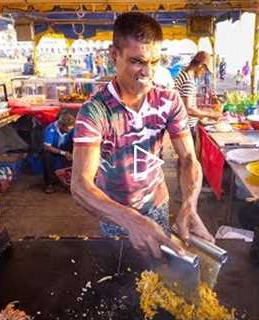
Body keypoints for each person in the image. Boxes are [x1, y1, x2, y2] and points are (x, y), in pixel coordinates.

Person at [71, 12, 214, 259]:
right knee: (120, 275)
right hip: (115, 214)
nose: (147, 72)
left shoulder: (169, 101)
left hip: (157, 205)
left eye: (155, 62)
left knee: (160, 277)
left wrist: (189, 205)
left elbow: (189, 159)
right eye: (137, 61)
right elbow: (80, 186)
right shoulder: (95, 111)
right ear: (114, 54)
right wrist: (131, 220)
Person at [174, 51, 221, 135]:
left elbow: (184, 97)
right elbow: (189, 109)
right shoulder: (188, 80)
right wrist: (211, 114)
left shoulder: (182, 73)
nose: (204, 73)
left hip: (181, 124)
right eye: (205, 70)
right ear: (201, 65)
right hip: (186, 126)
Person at [42, 111, 75, 194]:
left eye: (70, 129)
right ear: (60, 125)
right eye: (67, 129)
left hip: (65, 147)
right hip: (53, 150)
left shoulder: (72, 130)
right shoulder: (50, 129)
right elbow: (47, 147)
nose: (68, 131)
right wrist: (64, 153)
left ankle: (75, 180)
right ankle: (49, 184)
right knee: (46, 156)